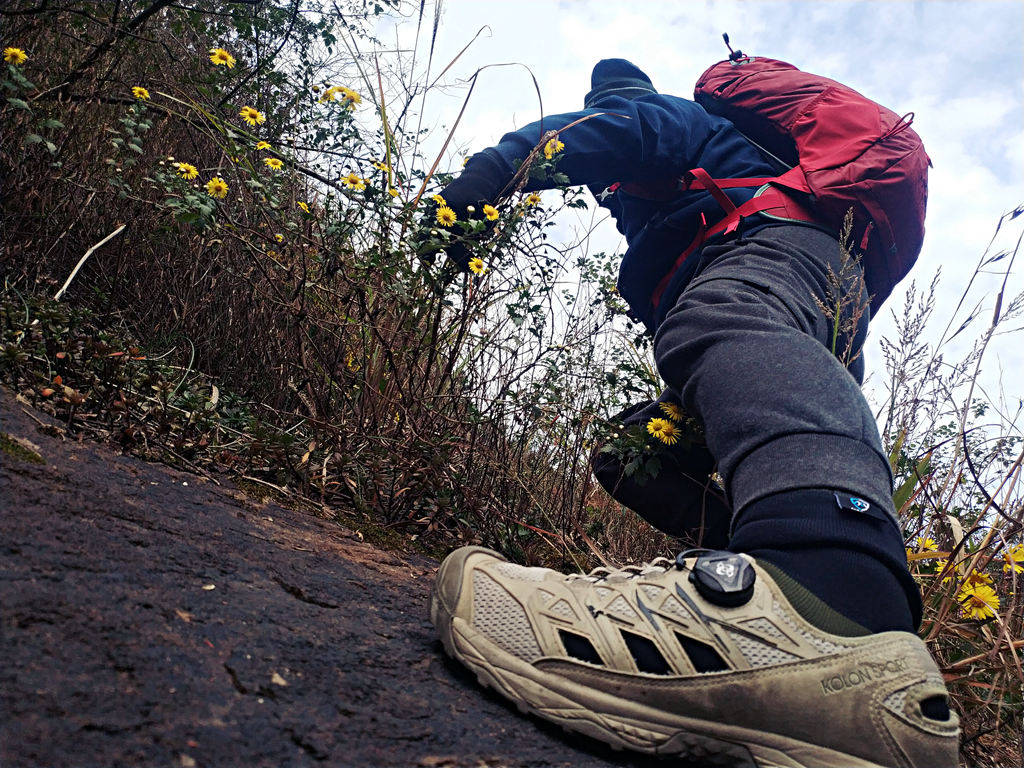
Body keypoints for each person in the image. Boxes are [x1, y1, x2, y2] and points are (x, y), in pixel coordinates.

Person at [429, 59, 958, 766]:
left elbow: (600, 132)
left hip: (768, 250)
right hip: (814, 296)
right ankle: (763, 570)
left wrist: (483, 181)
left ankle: (829, 593)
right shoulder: (690, 172)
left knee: (720, 313)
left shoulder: (669, 119)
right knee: (634, 450)